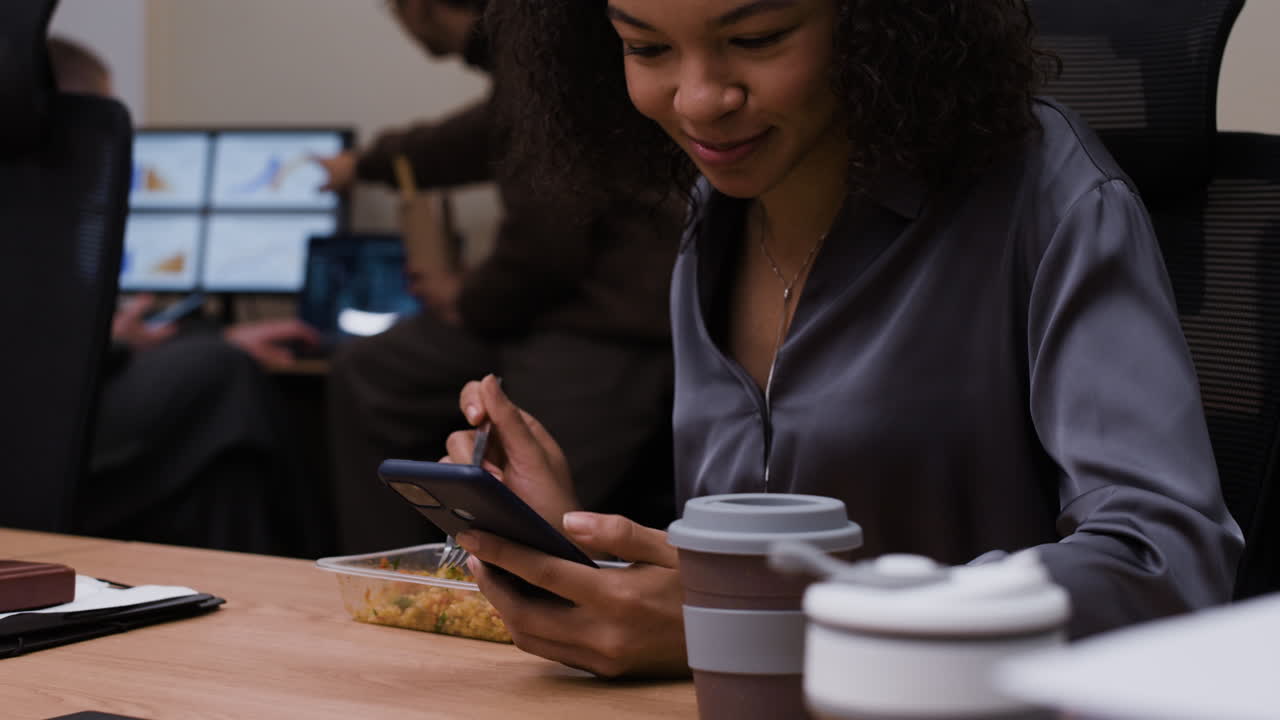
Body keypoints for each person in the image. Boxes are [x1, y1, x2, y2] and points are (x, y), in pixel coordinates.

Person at [439, 0, 1246, 678]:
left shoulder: (1046, 193)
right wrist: (573, 551)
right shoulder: (713, 215)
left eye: (755, 40)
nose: (697, 99)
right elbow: (737, 577)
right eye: (645, 47)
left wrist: (775, 628)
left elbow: (1166, 563)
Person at [315, 0, 681, 553]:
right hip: (566, 306)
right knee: (373, 370)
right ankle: (390, 575)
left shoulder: (537, 22)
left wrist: (466, 299)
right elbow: (494, 131)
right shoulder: (529, 44)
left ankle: (481, 591)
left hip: (610, 320)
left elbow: (546, 242)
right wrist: (369, 163)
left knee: (527, 519)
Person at [49, 37, 323, 553]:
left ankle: (242, 593)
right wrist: (118, 343)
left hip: (78, 398)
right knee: (226, 376)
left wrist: (121, 338)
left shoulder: (50, 205)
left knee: (223, 462)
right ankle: (308, 561)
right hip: (56, 425)